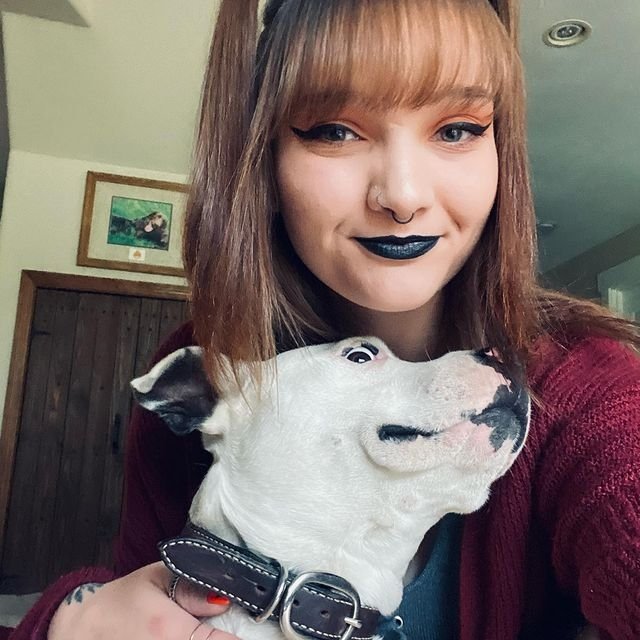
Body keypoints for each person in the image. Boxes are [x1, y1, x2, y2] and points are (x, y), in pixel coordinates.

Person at [8, 0, 640, 639]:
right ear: (264, 158)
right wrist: (65, 620)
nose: (403, 196)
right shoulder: (212, 377)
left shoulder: (590, 391)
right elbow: (141, 591)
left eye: (456, 129)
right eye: (335, 131)